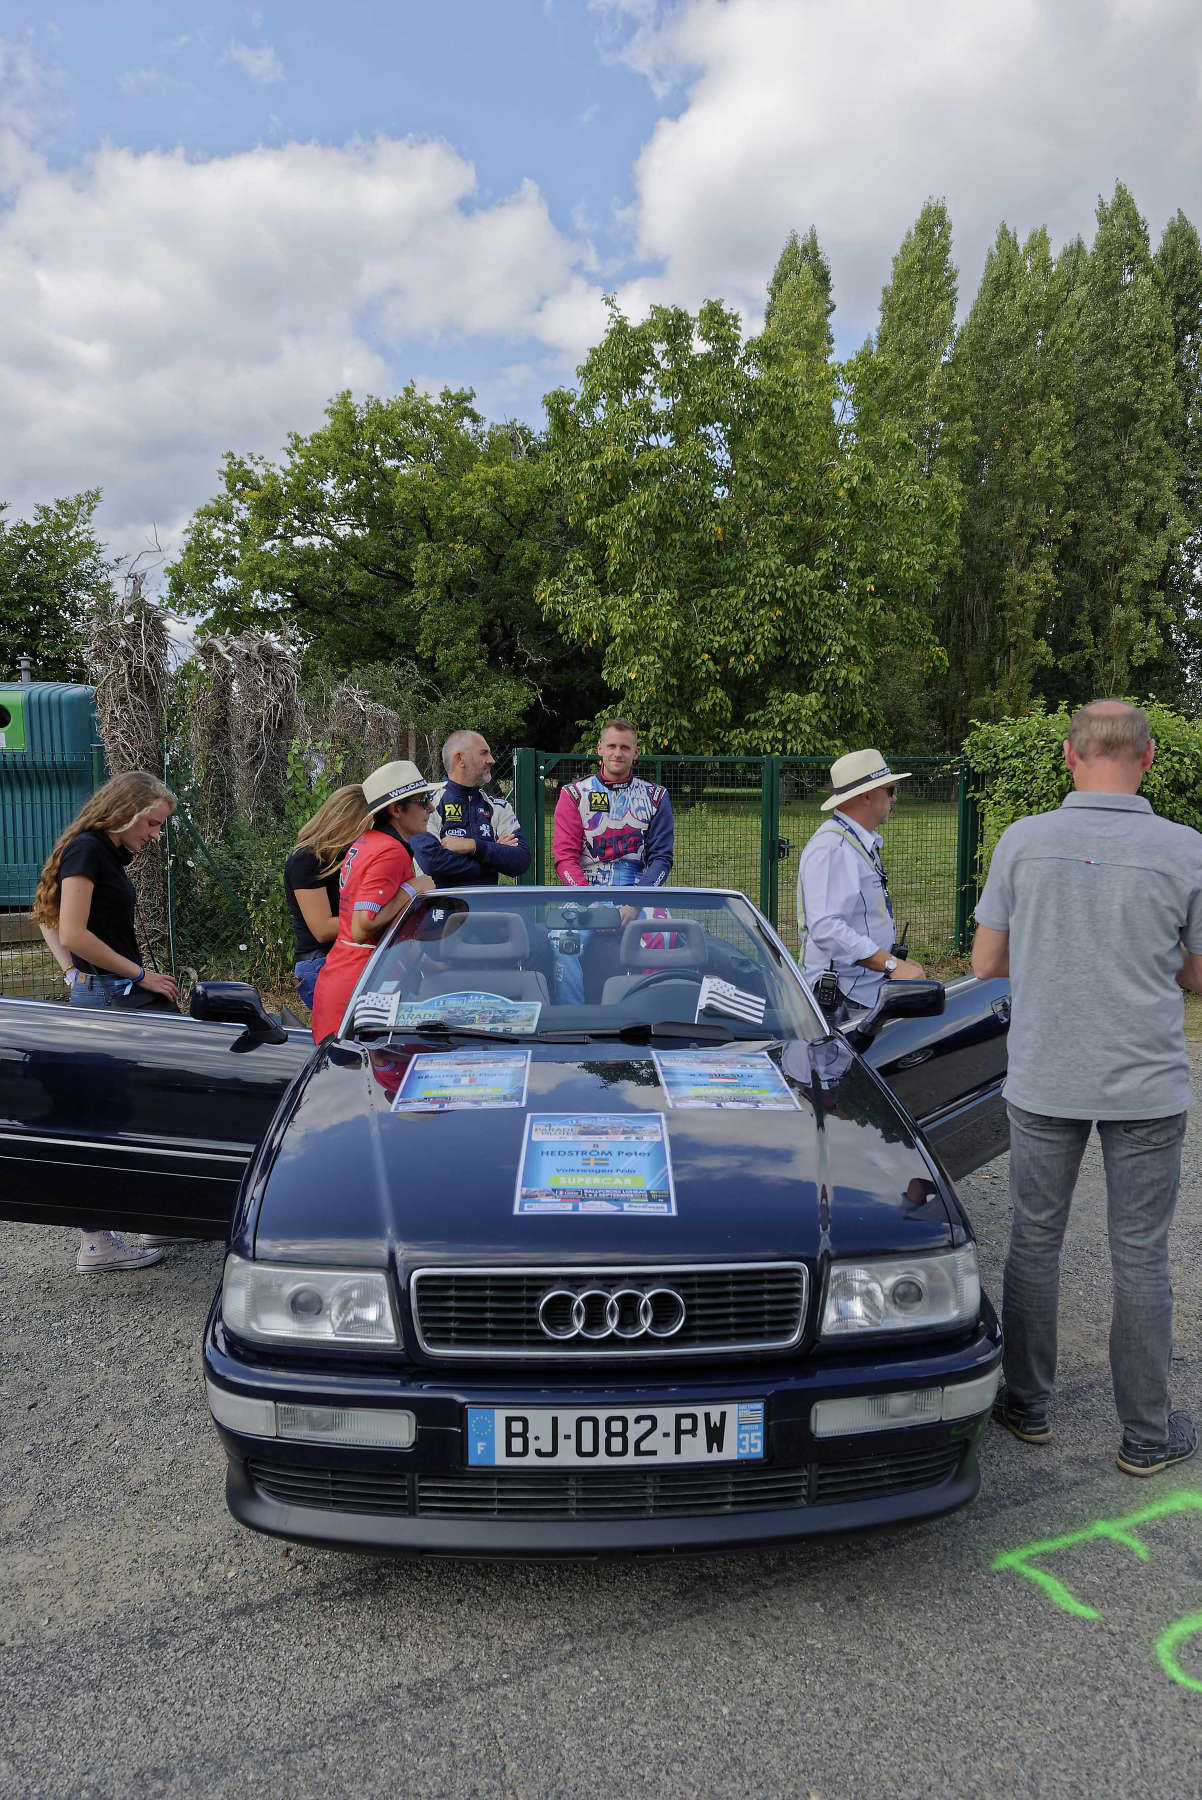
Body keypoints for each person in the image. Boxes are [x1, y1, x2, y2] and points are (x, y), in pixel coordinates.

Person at [972, 699, 1202, 1477]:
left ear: (1070, 756)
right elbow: (1199, 974)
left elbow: (985, 963)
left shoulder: (1023, 841)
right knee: (1140, 1253)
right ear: (1149, 757)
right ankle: (1145, 1434)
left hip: (1045, 1075)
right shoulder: (1185, 850)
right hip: (1146, 1082)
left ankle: (1027, 1405)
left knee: (1036, 1240)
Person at [32, 769, 180, 1273]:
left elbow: (47, 915)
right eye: (153, 824)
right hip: (114, 996)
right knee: (105, 1114)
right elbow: (70, 930)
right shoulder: (89, 850)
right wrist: (140, 975)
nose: (154, 836)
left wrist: (75, 976)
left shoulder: (99, 852)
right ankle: (97, 1239)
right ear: (127, 811)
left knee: (133, 1106)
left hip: (106, 991)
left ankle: (151, 1214)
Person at [309, 761, 437, 1042]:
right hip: (363, 982)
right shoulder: (390, 851)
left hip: (346, 974)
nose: (431, 808)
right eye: (423, 801)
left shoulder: (369, 840)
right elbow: (362, 926)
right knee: (365, 1073)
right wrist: (412, 889)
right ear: (396, 809)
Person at [551, 719, 674, 1001]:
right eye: (612, 746)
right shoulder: (573, 794)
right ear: (599, 749)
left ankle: (651, 1013)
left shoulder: (656, 796)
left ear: (636, 752)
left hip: (638, 887)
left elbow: (661, 859)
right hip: (587, 887)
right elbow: (565, 859)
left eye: (625, 747)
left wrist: (634, 902)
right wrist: (593, 903)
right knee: (561, 941)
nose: (618, 753)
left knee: (664, 936)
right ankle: (574, 1021)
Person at [795, 748, 925, 1011]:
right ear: (867, 794)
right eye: (890, 790)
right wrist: (892, 965)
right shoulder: (834, 848)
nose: (894, 798)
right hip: (841, 1002)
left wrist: (892, 964)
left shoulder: (854, 842)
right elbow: (826, 929)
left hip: (859, 992)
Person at [407, 730, 531, 888]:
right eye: (484, 753)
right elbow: (432, 864)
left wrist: (473, 846)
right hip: (440, 906)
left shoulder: (500, 807)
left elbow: (521, 861)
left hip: (486, 908)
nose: (491, 760)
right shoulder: (426, 803)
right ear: (460, 759)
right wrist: (494, 861)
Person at [283, 785, 371, 1006]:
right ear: (348, 823)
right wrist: (376, 920)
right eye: (367, 828)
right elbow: (322, 929)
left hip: (343, 957)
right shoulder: (307, 859)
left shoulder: (343, 857)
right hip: (320, 961)